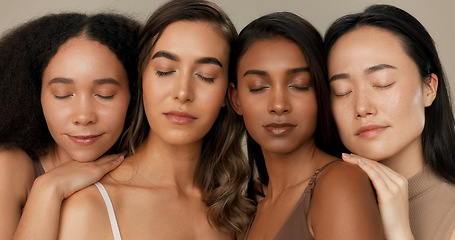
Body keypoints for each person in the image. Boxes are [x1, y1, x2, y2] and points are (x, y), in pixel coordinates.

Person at [58, 0, 254, 239]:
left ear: (228, 93)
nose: (183, 93)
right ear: (142, 76)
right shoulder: (90, 205)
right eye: (165, 70)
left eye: (206, 76)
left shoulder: (235, 211)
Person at [228, 12, 385, 239]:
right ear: (236, 99)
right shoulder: (249, 207)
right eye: (258, 86)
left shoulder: (340, 185)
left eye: (299, 85)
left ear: (321, 91)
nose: (279, 105)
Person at [0, 13, 140, 239]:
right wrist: (48, 189)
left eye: (105, 95)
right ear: (36, 96)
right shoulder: (8, 166)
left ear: (134, 95)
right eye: (62, 95)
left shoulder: (144, 167)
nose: (84, 117)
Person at [324, 4, 455, 240]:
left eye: (382, 83)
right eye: (342, 91)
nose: (362, 108)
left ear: (429, 88)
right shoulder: (320, 204)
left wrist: (398, 231)